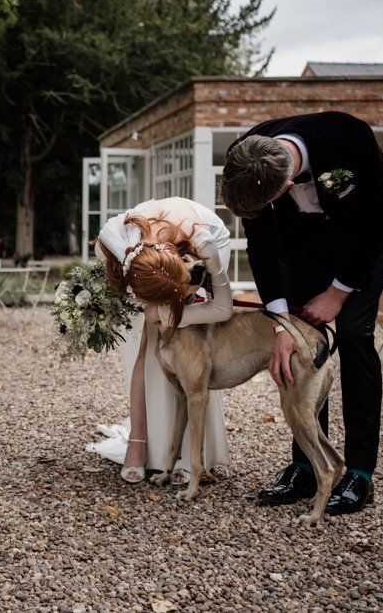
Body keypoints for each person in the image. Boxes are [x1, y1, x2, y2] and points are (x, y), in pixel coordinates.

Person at [222, 110, 383, 515]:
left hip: (365, 243)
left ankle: (360, 472)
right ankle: (307, 466)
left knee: (354, 334)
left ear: (288, 184)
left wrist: (337, 293)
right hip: (305, 252)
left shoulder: (350, 138)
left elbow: (373, 222)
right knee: (298, 346)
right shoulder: (245, 156)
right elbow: (263, 248)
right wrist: (281, 324)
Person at [86, 196, 233, 484]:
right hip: (149, 260)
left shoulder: (208, 247)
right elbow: (106, 234)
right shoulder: (121, 243)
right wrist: (149, 304)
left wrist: (171, 316)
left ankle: (192, 452)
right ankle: (138, 441)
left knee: (189, 351)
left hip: (199, 249)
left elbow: (222, 309)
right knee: (146, 346)